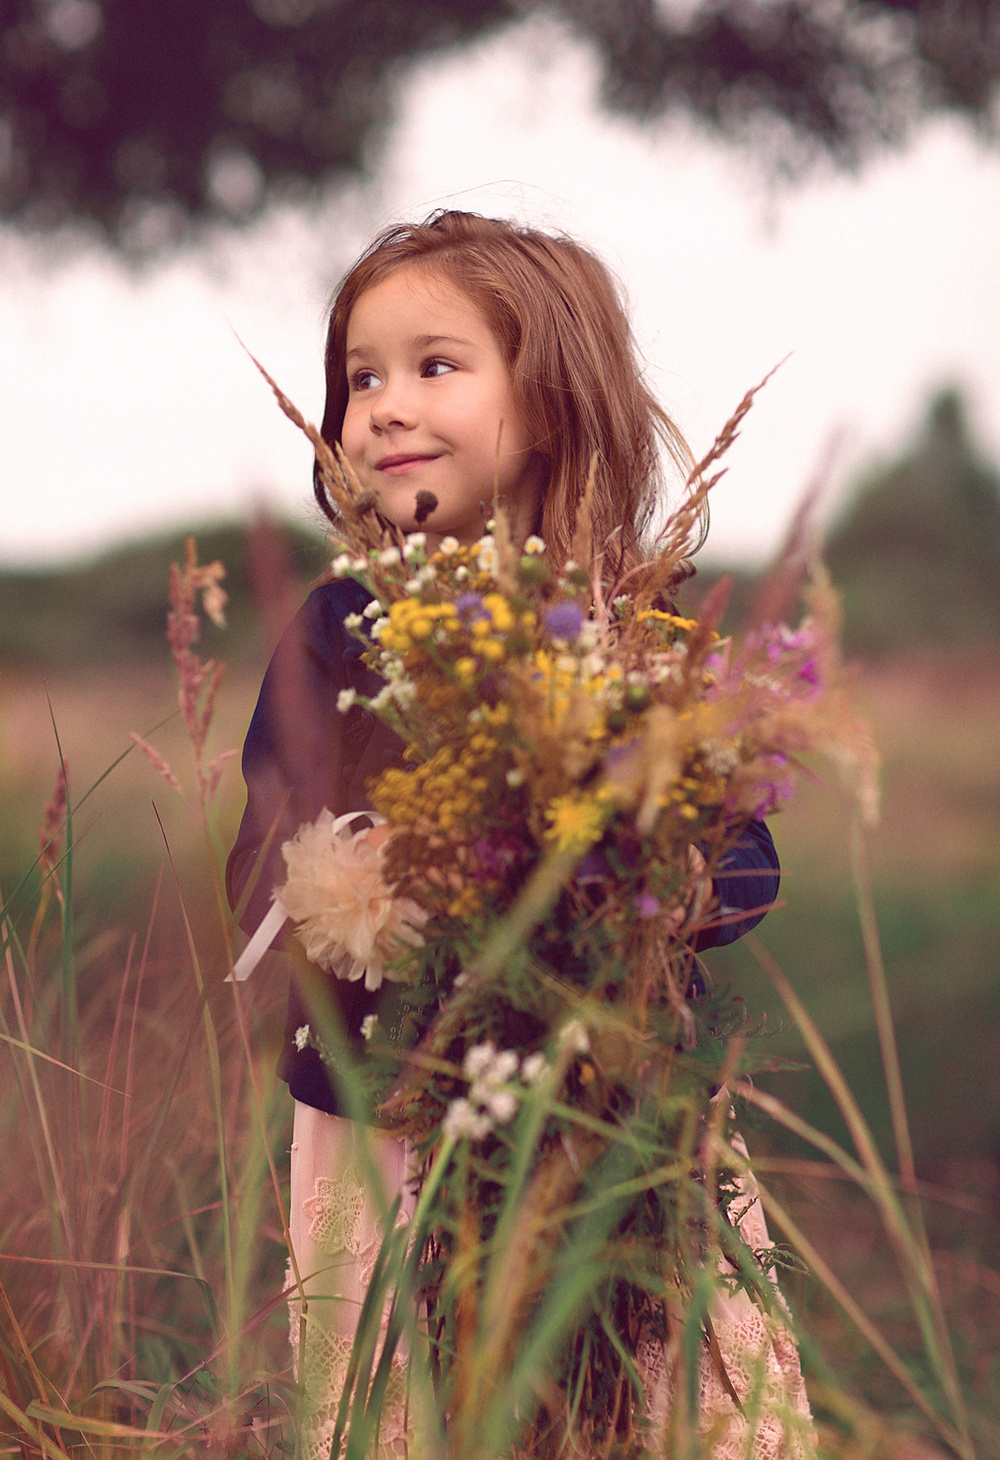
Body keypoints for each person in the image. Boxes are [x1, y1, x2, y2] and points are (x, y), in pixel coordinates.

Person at [227, 210, 810, 1458]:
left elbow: (742, 854)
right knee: (403, 1399)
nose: (382, 406)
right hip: (383, 1105)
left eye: (435, 366)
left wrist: (647, 876)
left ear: (548, 403)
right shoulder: (346, 625)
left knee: (663, 1389)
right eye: (358, 378)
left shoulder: (635, 630)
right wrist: (364, 877)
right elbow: (262, 854)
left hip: (621, 1104)